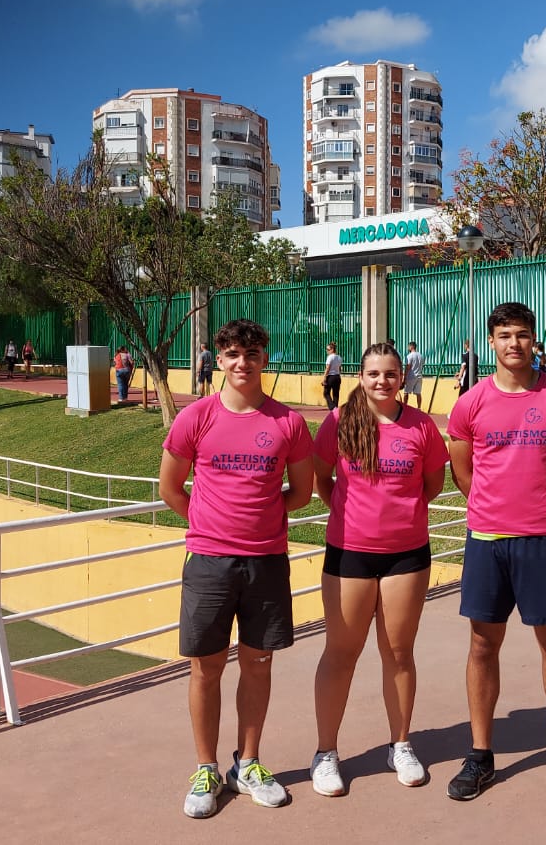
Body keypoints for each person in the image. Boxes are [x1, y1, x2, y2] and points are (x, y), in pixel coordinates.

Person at [445, 301, 546, 802]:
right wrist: (494, 507)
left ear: (535, 340)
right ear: (490, 342)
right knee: (481, 646)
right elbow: (462, 472)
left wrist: (539, 504)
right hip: (488, 541)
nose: (514, 343)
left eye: (522, 334)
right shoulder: (470, 402)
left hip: (543, 539)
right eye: (505, 335)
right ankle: (480, 755)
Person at [159, 318, 313, 819]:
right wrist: (210, 523)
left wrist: (258, 518)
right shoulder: (195, 417)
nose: (241, 362)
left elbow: (302, 493)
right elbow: (170, 488)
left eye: (251, 353)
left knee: (258, 663)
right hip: (208, 561)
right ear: (217, 361)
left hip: (266, 560)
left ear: (265, 358)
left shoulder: (288, 423)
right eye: (231, 354)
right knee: (206, 667)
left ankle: (248, 763)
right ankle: (206, 767)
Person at [309, 342, 449, 796]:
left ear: (401, 376)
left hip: (406, 555)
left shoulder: (421, 426)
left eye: (391, 373)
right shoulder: (338, 423)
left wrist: (398, 518)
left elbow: (431, 485)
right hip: (349, 553)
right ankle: (326, 753)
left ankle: (401, 745)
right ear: (360, 376)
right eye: (373, 374)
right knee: (341, 653)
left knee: (398, 652)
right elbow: (321, 478)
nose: (382, 381)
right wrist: (349, 516)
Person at [402, 341, 424, 408]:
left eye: (409, 346)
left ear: (411, 347)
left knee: (406, 392)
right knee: (418, 393)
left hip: (411, 376)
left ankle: (405, 407)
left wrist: (404, 377)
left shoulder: (409, 356)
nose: (408, 348)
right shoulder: (420, 355)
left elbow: (408, 367)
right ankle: (419, 407)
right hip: (419, 376)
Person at [322, 341, 343, 410]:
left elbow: (327, 368)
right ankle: (335, 409)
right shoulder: (339, 357)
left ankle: (333, 408)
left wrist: (324, 378)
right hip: (337, 377)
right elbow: (340, 369)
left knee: (326, 393)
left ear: (332, 349)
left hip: (330, 376)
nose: (326, 351)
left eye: (328, 350)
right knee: (336, 394)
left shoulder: (330, 357)